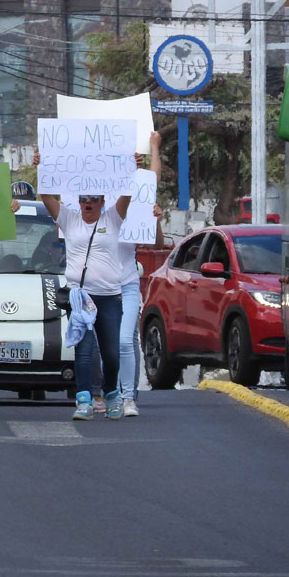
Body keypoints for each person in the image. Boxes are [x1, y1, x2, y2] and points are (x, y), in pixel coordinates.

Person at [36, 147, 135, 421]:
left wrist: (131, 167)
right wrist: (42, 168)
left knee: (112, 354)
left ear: (103, 201)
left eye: (93, 198)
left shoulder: (112, 219)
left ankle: (112, 392)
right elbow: (46, 195)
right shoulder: (68, 219)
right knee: (84, 350)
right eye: (83, 198)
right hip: (81, 298)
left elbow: (127, 191)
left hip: (109, 297)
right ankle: (83, 401)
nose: (88, 202)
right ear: (77, 201)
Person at [118, 132, 164, 417]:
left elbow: (150, 184)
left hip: (126, 281)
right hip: (98, 284)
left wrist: (154, 148)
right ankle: (104, 393)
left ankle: (128, 395)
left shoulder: (134, 200)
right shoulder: (94, 206)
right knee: (101, 344)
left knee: (126, 340)